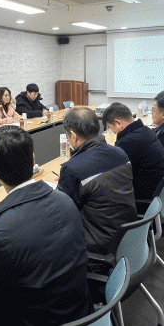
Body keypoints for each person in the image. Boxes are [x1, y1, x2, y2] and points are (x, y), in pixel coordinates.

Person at [0, 126, 93, 326]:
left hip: (38, 324)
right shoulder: (64, 200)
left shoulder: (1, 235)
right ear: (33, 159)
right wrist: (3, 230)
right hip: (80, 313)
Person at [57, 107, 137, 255]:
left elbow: (61, 211)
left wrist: (65, 180)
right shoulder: (120, 153)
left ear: (73, 136)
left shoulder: (73, 168)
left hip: (99, 242)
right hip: (129, 231)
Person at [102, 103, 164, 208]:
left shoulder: (128, 141)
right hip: (158, 191)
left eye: (110, 128)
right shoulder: (145, 130)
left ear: (118, 123)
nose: (113, 132)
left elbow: (111, 173)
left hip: (145, 198)